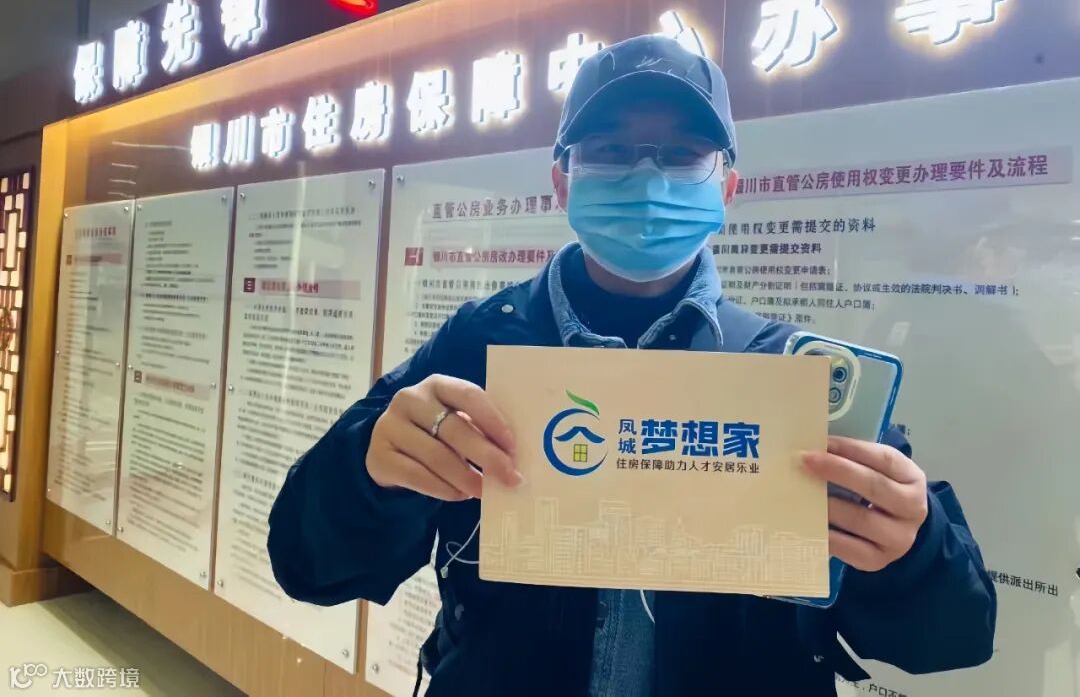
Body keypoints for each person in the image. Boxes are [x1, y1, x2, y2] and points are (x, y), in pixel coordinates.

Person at [267, 35, 996, 696]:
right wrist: (368, 470)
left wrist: (914, 551)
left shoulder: (793, 374)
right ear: (562, 182)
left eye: (682, 154)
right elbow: (307, 564)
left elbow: (956, 637)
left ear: (726, 188)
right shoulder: (478, 346)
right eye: (611, 151)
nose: (647, 177)